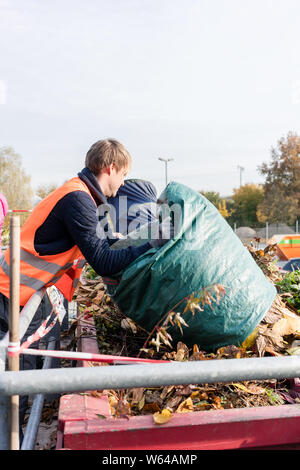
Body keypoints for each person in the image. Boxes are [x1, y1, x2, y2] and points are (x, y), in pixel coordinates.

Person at [0, 138, 171, 437]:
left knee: (21, 368)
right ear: (111, 167)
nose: (121, 183)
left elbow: (101, 241)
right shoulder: (77, 200)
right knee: (17, 372)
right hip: (10, 291)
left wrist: (129, 241)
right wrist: (153, 243)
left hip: (20, 290)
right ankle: (10, 436)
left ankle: (15, 429)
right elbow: (103, 260)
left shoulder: (81, 195)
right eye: (122, 174)